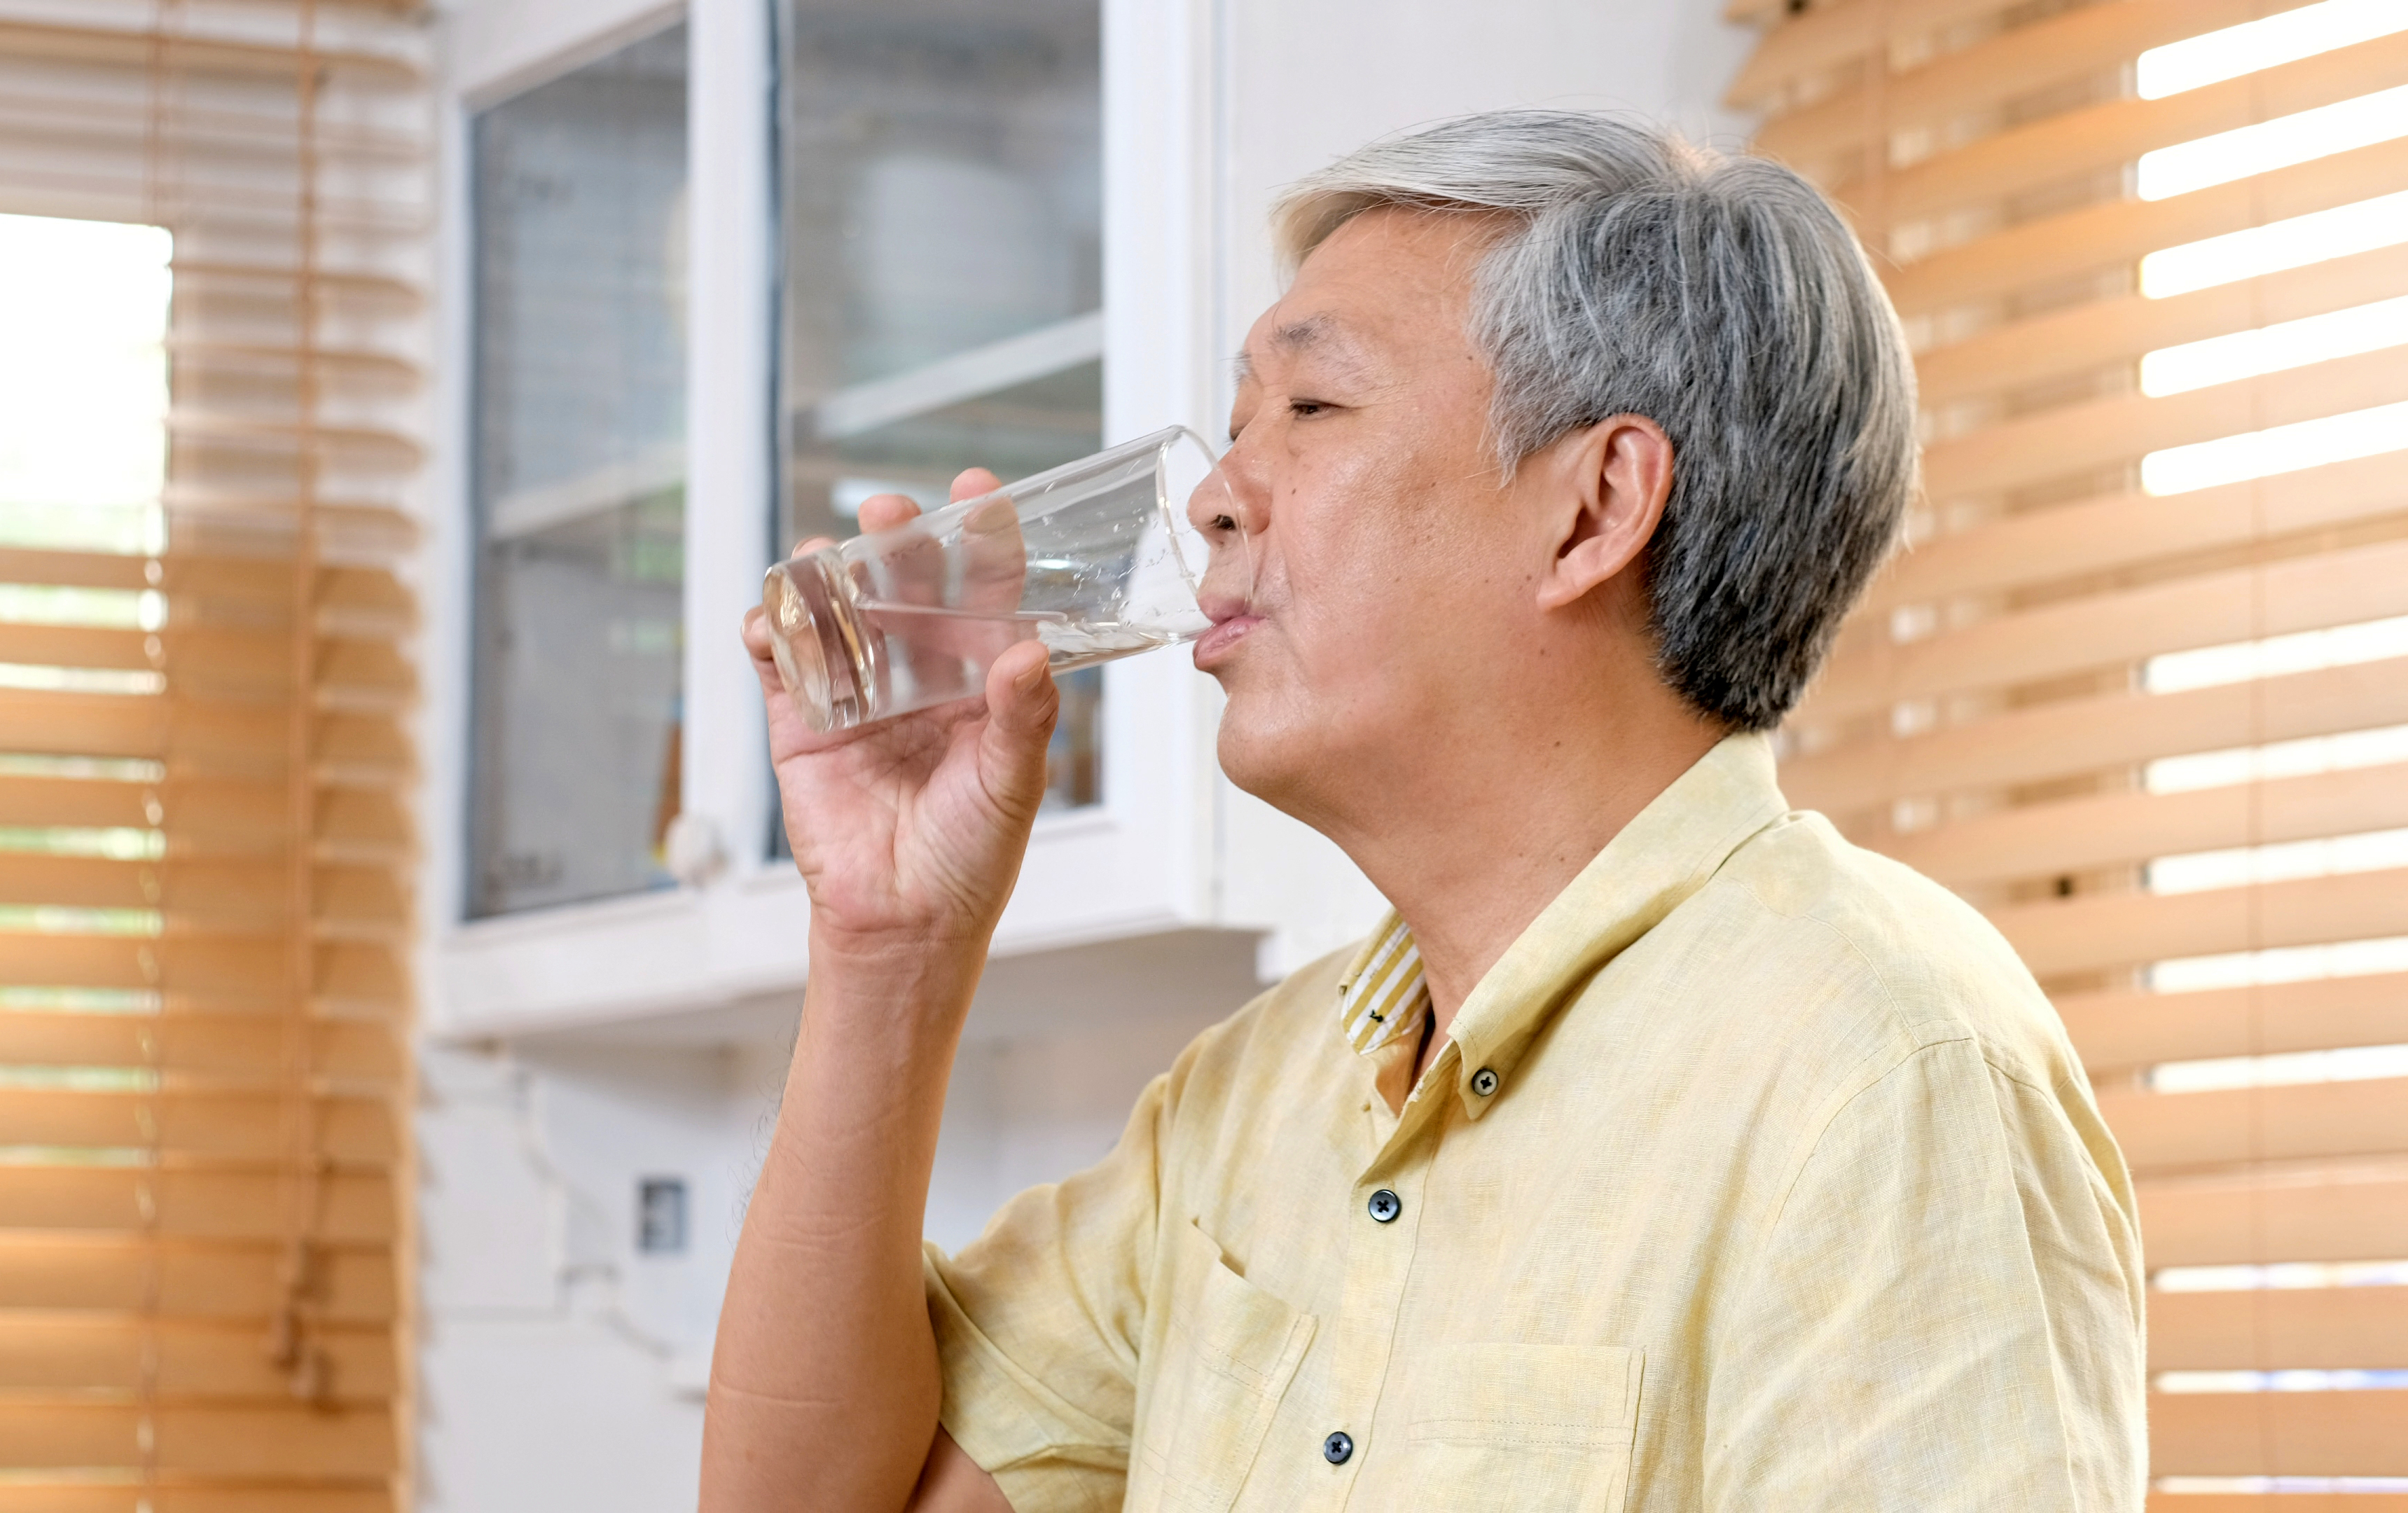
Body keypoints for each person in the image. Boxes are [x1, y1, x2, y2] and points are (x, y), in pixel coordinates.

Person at [702, 110, 2146, 1512]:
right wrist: (889, 946)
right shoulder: (1249, 1102)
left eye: (1313, 407)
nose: (1213, 495)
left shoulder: (1885, 1071)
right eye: (1236, 419)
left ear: (1594, 508)